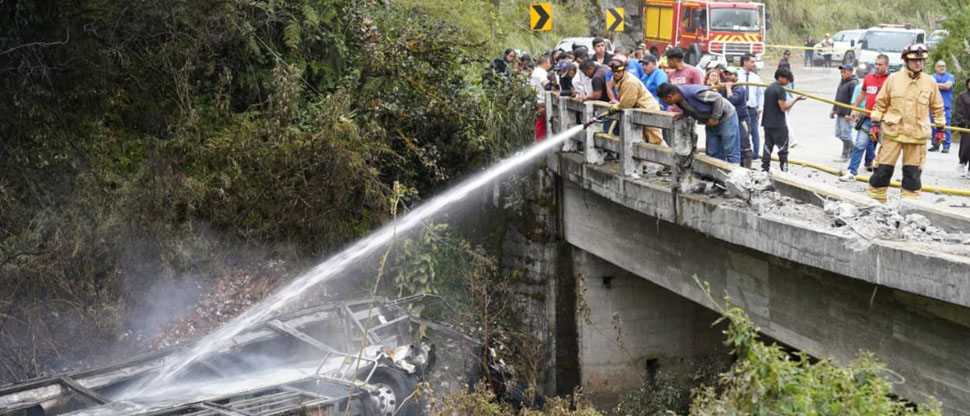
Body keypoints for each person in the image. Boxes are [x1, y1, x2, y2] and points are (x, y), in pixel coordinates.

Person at [866, 44, 945, 202]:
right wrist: (875, 125)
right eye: (914, 60)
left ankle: (909, 208)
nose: (918, 63)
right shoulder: (893, 79)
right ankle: (874, 204)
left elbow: (938, 108)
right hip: (893, 133)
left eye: (921, 60)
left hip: (916, 136)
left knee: (912, 175)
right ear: (905, 61)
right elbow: (880, 104)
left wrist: (941, 130)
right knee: (882, 171)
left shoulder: (930, 82)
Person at [657, 83, 741, 164]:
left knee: (730, 149)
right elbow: (693, 106)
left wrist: (714, 118)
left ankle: (736, 175)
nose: (664, 102)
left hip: (726, 117)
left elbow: (717, 98)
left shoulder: (694, 93)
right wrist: (684, 114)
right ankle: (717, 176)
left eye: (663, 100)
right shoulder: (679, 98)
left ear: (670, 97)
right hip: (709, 121)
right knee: (712, 151)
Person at [840, 54, 890, 181]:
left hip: (885, 120)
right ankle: (851, 172)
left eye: (880, 64)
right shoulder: (869, 77)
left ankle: (882, 177)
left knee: (887, 149)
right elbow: (862, 93)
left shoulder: (891, 80)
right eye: (876, 64)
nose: (877, 67)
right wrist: (855, 108)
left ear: (886, 66)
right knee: (860, 145)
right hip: (868, 118)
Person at [605, 55, 664, 146]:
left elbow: (626, 104)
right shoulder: (617, 79)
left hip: (649, 109)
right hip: (640, 109)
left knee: (655, 139)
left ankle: (666, 159)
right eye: (613, 71)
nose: (615, 74)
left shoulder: (630, 82)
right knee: (642, 140)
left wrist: (616, 106)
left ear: (624, 69)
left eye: (618, 71)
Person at [761, 68, 806, 172]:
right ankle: (784, 170)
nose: (788, 82)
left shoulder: (769, 88)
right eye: (787, 80)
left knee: (768, 146)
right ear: (780, 78)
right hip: (778, 124)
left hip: (767, 123)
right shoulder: (780, 90)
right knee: (783, 149)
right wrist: (796, 100)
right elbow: (783, 107)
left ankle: (765, 169)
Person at [722, 67, 754, 167]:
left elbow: (732, 101)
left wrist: (728, 88)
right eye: (726, 74)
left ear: (735, 76)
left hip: (741, 120)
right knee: (733, 144)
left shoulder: (739, 88)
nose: (727, 76)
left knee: (744, 142)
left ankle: (747, 167)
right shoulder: (724, 88)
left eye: (730, 74)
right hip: (730, 121)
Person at [831, 63, 858, 162]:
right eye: (841, 72)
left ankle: (846, 154)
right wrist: (834, 109)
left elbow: (853, 100)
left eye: (844, 72)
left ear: (851, 72)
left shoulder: (853, 83)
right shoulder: (842, 81)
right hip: (839, 112)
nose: (842, 74)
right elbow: (837, 96)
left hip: (846, 114)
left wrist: (849, 113)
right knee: (838, 134)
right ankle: (852, 149)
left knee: (846, 135)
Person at [739, 54, 764, 160]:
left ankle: (755, 154)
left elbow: (760, 93)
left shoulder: (756, 78)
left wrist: (760, 107)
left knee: (754, 131)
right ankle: (745, 153)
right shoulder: (737, 75)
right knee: (744, 132)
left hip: (753, 108)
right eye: (752, 62)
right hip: (741, 108)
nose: (754, 64)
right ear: (745, 62)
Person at [929, 60, 955, 152]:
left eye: (944, 66)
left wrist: (934, 84)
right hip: (933, 105)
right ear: (936, 67)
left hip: (945, 105)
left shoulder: (950, 76)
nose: (942, 67)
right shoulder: (931, 76)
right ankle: (935, 144)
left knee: (946, 126)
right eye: (940, 66)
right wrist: (940, 85)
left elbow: (947, 86)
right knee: (934, 126)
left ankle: (946, 146)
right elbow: (928, 86)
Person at [530, 55, 552, 141]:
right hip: (541, 100)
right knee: (541, 122)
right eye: (550, 63)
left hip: (537, 100)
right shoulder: (541, 72)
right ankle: (541, 142)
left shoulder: (535, 71)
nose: (550, 65)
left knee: (540, 122)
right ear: (545, 63)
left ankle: (540, 140)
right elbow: (545, 84)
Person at [953, 76, 970, 176]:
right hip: (966, 125)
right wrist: (963, 122)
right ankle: (962, 162)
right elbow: (958, 110)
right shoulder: (962, 96)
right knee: (966, 145)